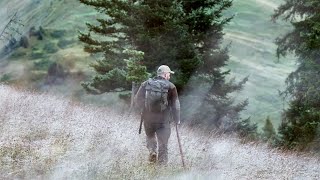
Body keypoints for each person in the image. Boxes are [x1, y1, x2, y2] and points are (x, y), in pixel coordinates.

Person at [134, 65, 181, 164]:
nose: (169, 76)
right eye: (169, 74)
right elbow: (175, 105)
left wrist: (145, 108)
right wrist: (177, 120)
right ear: (165, 74)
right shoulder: (171, 86)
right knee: (163, 143)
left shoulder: (146, 84)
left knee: (150, 136)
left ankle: (152, 151)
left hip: (148, 119)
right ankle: (162, 166)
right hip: (163, 120)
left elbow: (137, 100)